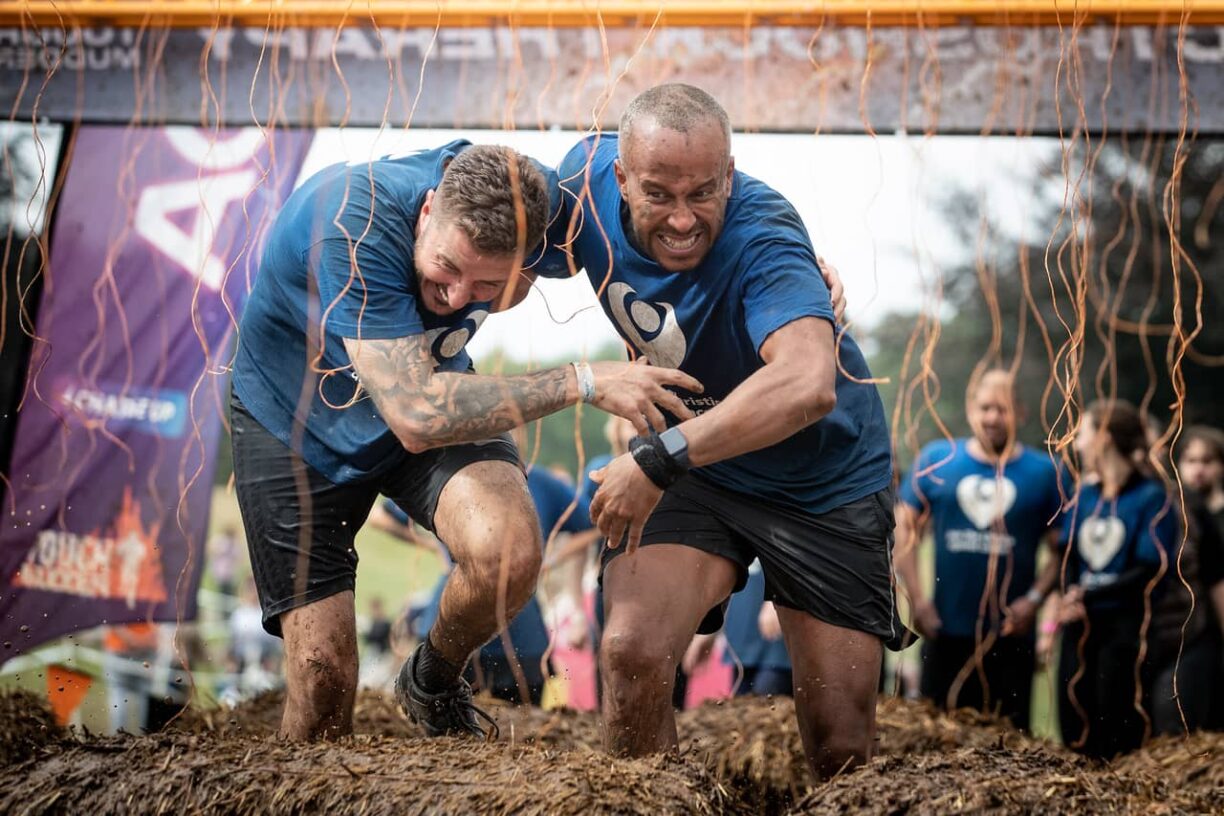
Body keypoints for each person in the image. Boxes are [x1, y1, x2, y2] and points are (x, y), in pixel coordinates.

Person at [229, 141, 700, 740]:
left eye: (487, 285)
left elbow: (668, 210)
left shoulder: (547, 210)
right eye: (447, 268)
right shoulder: (355, 220)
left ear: (533, 259)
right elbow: (416, 414)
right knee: (324, 677)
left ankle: (432, 677)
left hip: (426, 389)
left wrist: (797, 271)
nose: (454, 298)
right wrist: (582, 380)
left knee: (508, 554)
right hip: (295, 424)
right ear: (428, 212)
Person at [555, 83, 900, 781]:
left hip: (819, 479)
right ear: (618, 177)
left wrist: (656, 457)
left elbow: (808, 385)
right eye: (658, 194)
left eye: (704, 193)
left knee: (839, 748)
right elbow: (493, 239)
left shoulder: (764, 234)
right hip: (701, 469)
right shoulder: (579, 183)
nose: (683, 220)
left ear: (731, 175)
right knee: (630, 652)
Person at [894, 370, 1062, 730]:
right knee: (936, 737)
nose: (992, 418)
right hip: (945, 630)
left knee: (1012, 746)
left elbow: (1063, 550)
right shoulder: (938, 460)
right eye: (985, 407)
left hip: (1011, 634)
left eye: (1002, 409)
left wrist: (1034, 600)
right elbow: (904, 530)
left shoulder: (1044, 472)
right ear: (971, 409)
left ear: (1020, 412)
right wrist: (918, 601)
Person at [1056, 400, 1176, 758]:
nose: (1076, 444)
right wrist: (1069, 597)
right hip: (1079, 627)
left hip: (1124, 630)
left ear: (1104, 437)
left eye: (1083, 433)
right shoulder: (1085, 495)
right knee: (1074, 722)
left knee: (1115, 724)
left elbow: (1148, 567)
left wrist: (1085, 596)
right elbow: (1068, 557)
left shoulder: (1152, 497)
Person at [1147, 425, 1224, 732]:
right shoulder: (1177, 511)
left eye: (1207, 461)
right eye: (1191, 461)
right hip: (1192, 626)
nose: (1198, 470)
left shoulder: (1213, 517)